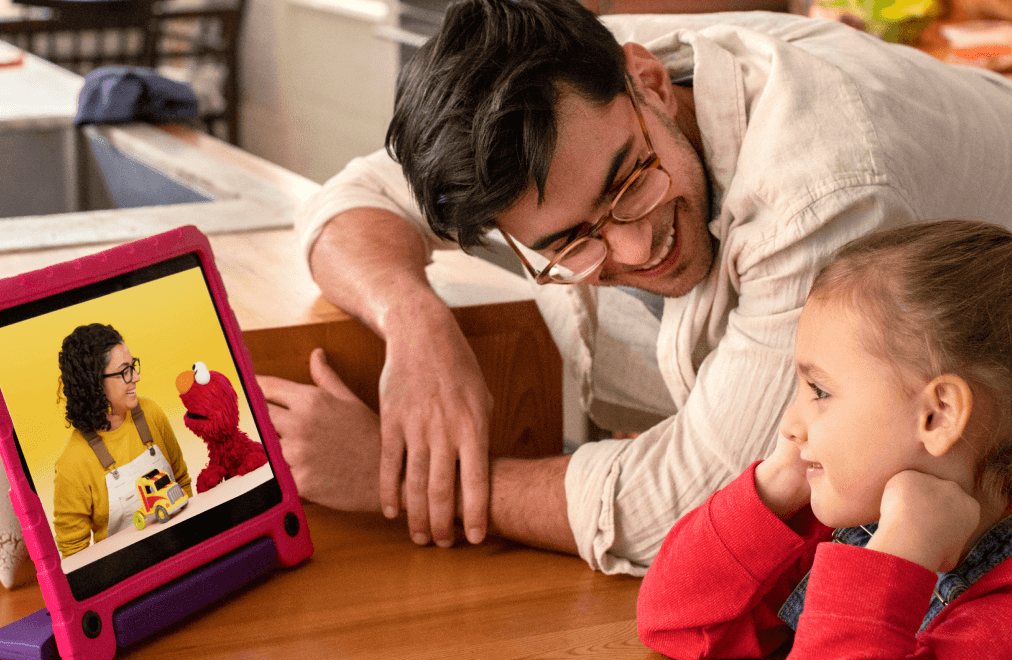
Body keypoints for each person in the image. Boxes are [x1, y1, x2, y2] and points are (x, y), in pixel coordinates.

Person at [261, 0, 1012, 574]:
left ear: (649, 81)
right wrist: (414, 319)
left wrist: (396, 478)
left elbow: (697, 503)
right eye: (569, 243)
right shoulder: (563, 83)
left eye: (627, 183)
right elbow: (356, 195)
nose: (635, 246)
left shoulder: (823, 190)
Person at [637, 220, 1012, 660]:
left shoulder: (1000, 622)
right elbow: (674, 621)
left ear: (937, 416)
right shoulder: (853, 520)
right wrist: (774, 486)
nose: (789, 424)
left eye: (819, 391)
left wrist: (898, 558)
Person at [54, 324, 192, 559]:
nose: (136, 377)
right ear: (95, 384)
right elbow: (75, 556)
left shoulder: (151, 413)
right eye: (125, 371)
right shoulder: (73, 464)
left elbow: (181, 482)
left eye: (133, 366)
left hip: (183, 548)